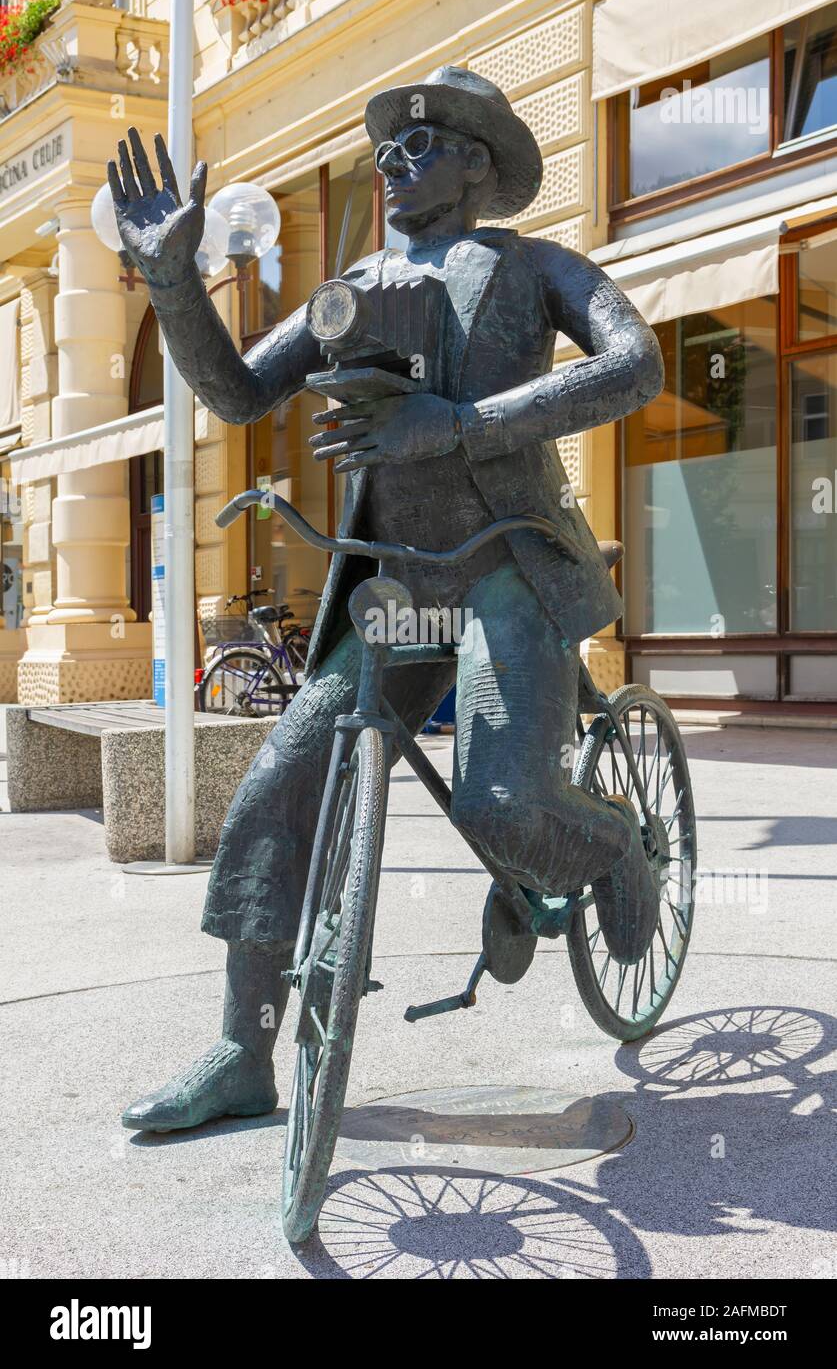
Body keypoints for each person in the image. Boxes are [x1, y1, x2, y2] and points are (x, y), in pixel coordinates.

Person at [109, 67, 664, 1133]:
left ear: (478, 165)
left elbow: (635, 365)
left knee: (502, 801)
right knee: (277, 788)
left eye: (425, 144)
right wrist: (174, 285)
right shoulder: (350, 286)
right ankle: (241, 1051)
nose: (395, 161)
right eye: (389, 148)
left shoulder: (536, 267)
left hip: (510, 565)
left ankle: (613, 845)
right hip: (398, 586)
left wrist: (454, 427)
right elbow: (233, 393)